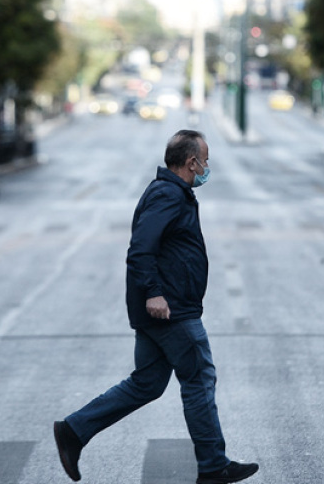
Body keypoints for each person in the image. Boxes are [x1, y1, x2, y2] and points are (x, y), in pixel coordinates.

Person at [54, 130, 259, 484]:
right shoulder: (167, 194)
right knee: (199, 378)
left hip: (164, 307)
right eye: (205, 160)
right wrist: (154, 294)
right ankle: (213, 465)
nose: (207, 167)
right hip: (170, 308)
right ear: (191, 162)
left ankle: (74, 430)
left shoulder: (171, 192)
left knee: (147, 383)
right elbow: (140, 249)